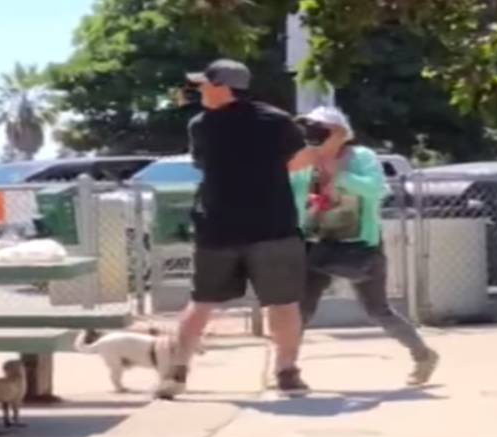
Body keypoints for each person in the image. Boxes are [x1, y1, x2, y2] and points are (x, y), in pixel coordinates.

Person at [156, 59, 309, 399]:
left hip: (218, 227)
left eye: (205, 84)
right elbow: (298, 163)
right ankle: (287, 372)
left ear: (223, 86)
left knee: (202, 302)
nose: (200, 90)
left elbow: (201, 163)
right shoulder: (278, 120)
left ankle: (176, 374)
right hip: (274, 225)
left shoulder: (201, 125)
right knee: (283, 304)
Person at [289, 106, 439, 386]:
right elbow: (290, 190)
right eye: (308, 129)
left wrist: (338, 174)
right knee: (302, 309)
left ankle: (423, 355)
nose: (312, 135)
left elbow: (375, 190)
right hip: (315, 243)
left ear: (340, 133)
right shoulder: (306, 160)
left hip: (358, 244)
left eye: (320, 129)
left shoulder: (361, 158)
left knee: (376, 309)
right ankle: (287, 368)